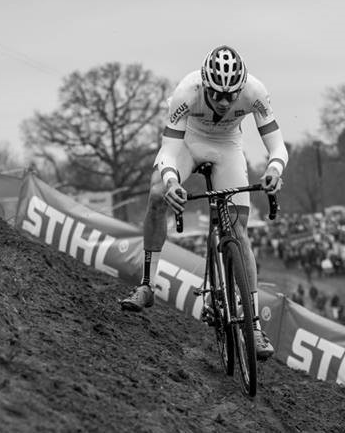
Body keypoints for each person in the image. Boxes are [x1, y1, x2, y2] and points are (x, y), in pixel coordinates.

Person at [118, 45, 288, 361]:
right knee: (156, 194)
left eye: (230, 96)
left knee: (238, 231)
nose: (224, 102)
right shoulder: (186, 91)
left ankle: (253, 324)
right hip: (188, 144)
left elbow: (277, 146)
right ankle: (146, 285)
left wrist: (274, 170)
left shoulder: (254, 91)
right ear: (206, 85)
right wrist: (170, 181)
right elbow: (168, 152)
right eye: (218, 95)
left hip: (227, 148)